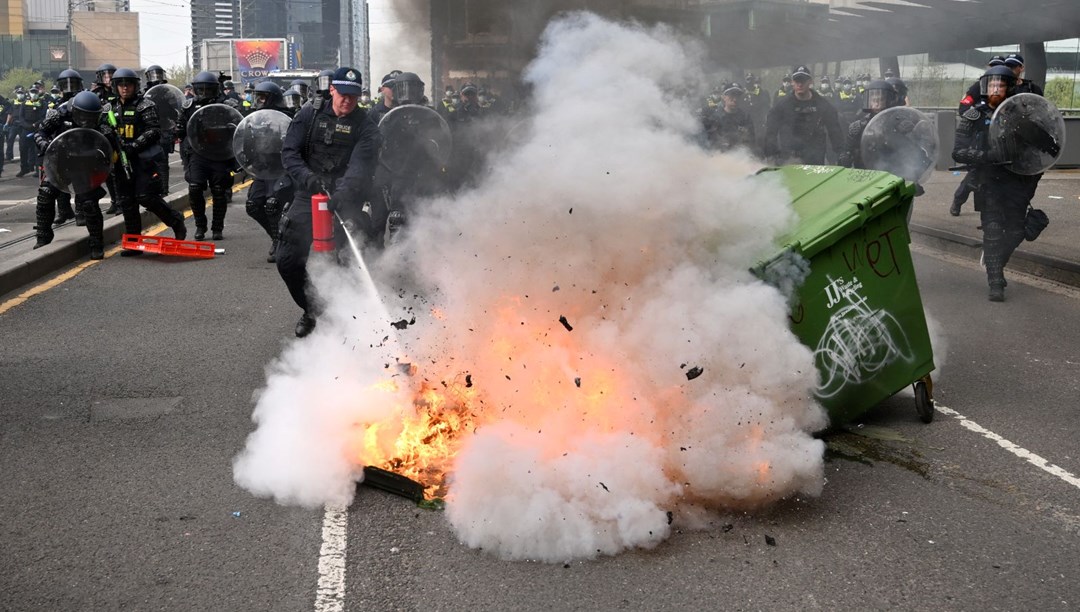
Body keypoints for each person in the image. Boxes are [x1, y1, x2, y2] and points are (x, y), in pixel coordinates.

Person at [277, 67, 380, 337]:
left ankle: (350, 321)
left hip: (346, 197)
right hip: (308, 193)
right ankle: (312, 309)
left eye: (354, 97)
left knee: (351, 261)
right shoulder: (309, 114)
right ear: (332, 89)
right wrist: (307, 178)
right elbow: (289, 153)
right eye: (343, 94)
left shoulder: (366, 125)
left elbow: (360, 167)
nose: (347, 101)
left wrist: (343, 194)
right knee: (287, 261)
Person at [952, 66, 1041, 302]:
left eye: (1000, 85)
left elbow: (1043, 149)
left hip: (1015, 182)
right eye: (991, 85)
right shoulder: (974, 115)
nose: (995, 89)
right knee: (991, 231)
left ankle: (995, 262)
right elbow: (958, 152)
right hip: (988, 181)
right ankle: (995, 281)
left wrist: (1032, 177)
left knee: (1014, 230)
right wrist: (986, 156)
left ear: (1009, 88)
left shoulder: (1022, 115)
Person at [109, 68, 187, 254]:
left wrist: (134, 146)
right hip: (121, 162)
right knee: (127, 202)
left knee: (146, 197)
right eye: (121, 85)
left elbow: (153, 130)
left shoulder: (145, 105)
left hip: (142, 160)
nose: (125, 88)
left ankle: (175, 220)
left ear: (135, 85)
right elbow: (102, 130)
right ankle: (134, 243)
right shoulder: (109, 108)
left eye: (128, 84)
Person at [367, 71, 447, 244]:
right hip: (387, 168)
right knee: (378, 220)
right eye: (404, 89)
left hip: (415, 171)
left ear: (419, 91)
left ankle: (412, 257)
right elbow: (374, 141)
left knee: (414, 218)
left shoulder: (428, 114)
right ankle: (375, 256)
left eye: (412, 89)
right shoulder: (389, 115)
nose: (408, 93)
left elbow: (438, 140)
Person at [33, 91, 115, 259]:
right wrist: (45, 144)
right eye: (83, 115)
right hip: (59, 161)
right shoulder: (59, 115)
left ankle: (96, 244)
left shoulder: (102, 120)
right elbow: (40, 133)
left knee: (89, 203)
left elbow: (110, 144)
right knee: (45, 194)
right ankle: (43, 237)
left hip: (84, 164)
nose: (86, 120)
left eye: (90, 117)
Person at [177, 71, 242, 240]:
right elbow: (180, 129)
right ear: (195, 89)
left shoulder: (227, 105)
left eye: (208, 89)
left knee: (219, 191)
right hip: (197, 154)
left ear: (215, 89)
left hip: (219, 154)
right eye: (201, 89)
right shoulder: (188, 106)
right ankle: (200, 225)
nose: (204, 92)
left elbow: (238, 127)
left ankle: (217, 228)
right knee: (195, 188)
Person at [243, 81, 294, 262]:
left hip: (281, 168)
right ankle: (276, 237)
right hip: (262, 167)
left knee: (273, 205)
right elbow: (246, 141)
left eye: (262, 97)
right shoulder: (254, 118)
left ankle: (280, 243)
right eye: (258, 97)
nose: (259, 101)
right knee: (253, 205)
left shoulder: (288, 117)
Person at [951, 56, 1008, 216]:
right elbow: (964, 106)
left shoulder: (1012, 88)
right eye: (992, 66)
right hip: (983, 137)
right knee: (972, 179)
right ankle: (958, 201)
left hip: (1004, 143)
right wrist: (977, 115)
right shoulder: (978, 86)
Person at [763, 65, 843, 165]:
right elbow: (771, 131)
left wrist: (841, 152)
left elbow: (835, 130)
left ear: (810, 82)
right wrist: (770, 154)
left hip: (815, 159)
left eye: (803, 81)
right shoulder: (782, 106)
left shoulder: (823, 105)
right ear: (792, 82)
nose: (800, 84)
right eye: (797, 81)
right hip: (789, 159)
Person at [37, 69, 86, 227]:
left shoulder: (86, 103)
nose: (70, 88)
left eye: (73, 84)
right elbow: (42, 131)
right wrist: (44, 144)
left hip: (81, 150)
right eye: (66, 85)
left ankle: (80, 212)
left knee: (80, 182)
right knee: (58, 182)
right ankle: (64, 211)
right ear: (61, 87)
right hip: (61, 150)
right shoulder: (57, 108)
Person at [839, 79, 899, 168]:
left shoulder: (898, 124)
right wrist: (845, 158)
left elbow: (912, 153)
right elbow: (846, 152)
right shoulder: (859, 126)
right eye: (873, 100)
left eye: (880, 100)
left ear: (889, 100)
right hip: (865, 173)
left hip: (891, 171)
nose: (876, 104)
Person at [704, 82, 755, 152]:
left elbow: (751, 141)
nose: (735, 99)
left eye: (738, 95)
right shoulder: (716, 118)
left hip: (742, 156)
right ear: (724, 97)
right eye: (732, 95)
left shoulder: (746, 118)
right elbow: (711, 144)